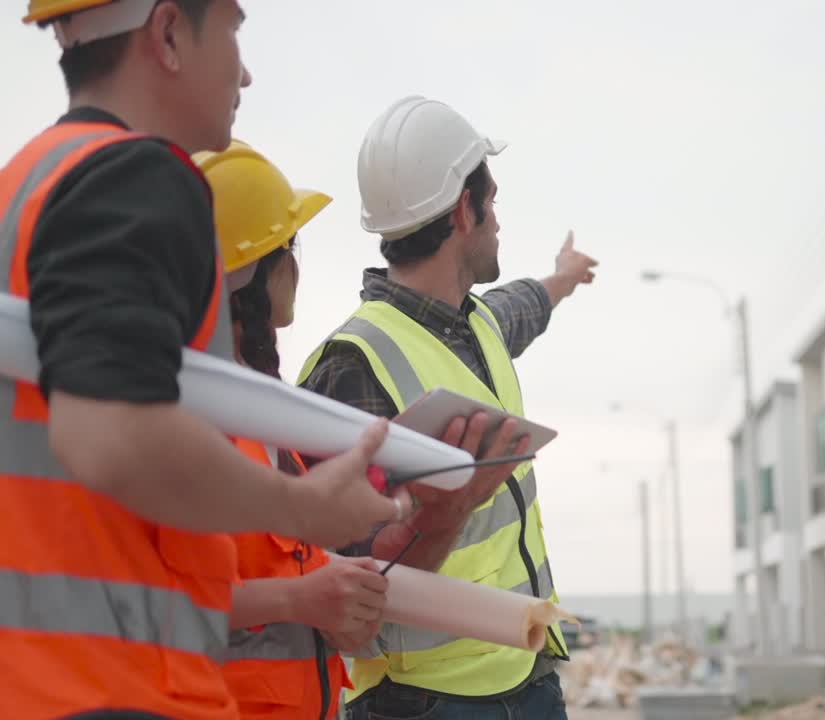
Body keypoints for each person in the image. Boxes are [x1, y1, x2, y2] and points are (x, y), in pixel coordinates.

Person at [0, 3, 407, 717]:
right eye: (232, 30)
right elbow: (110, 434)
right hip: (113, 688)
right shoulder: (135, 178)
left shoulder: (23, 186)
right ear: (166, 34)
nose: (244, 71)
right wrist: (306, 508)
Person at [298, 96, 598, 719]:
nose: (499, 223)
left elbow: (528, 303)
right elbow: (348, 578)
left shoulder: (480, 323)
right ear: (467, 210)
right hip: (427, 702)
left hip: (527, 667)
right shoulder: (352, 365)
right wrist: (446, 513)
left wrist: (564, 276)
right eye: (495, 206)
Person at [194, 140, 393, 720]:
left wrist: (328, 579)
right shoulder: (199, 414)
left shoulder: (256, 407)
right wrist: (303, 597)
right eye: (290, 244)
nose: (296, 265)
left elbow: (257, 565)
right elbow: (155, 593)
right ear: (257, 270)